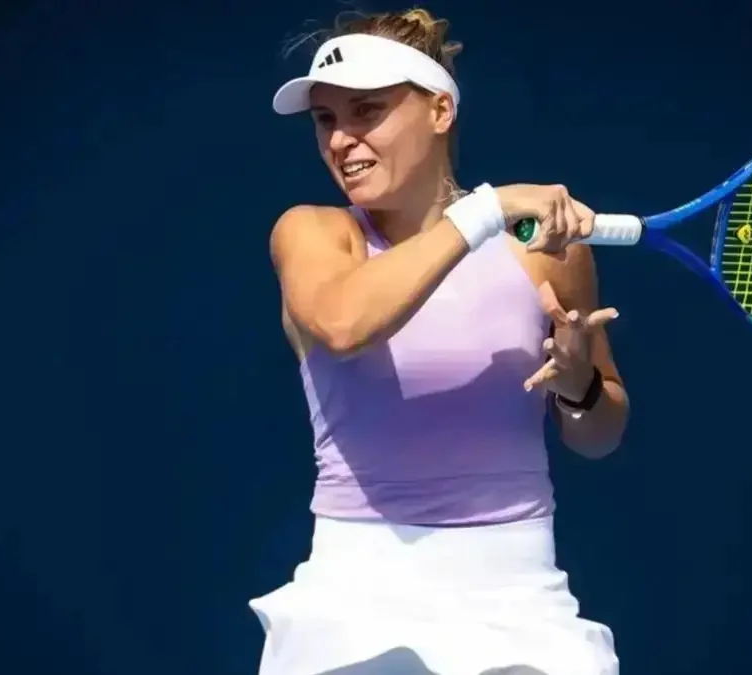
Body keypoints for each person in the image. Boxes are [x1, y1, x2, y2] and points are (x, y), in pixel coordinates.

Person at [249, 8, 629, 675]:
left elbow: (599, 435)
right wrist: (485, 211)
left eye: (367, 111)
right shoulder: (314, 232)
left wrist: (578, 388)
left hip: (521, 594)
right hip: (353, 595)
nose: (341, 139)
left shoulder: (547, 253)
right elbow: (343, 324)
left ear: (440, 111)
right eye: (325, 119)